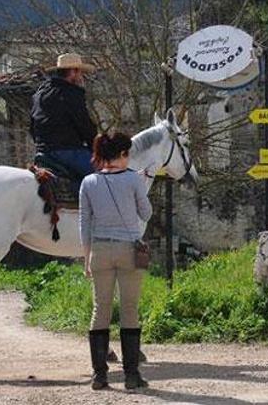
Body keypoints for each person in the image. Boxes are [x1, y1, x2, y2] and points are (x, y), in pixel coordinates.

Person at [79, 131, 152, 390]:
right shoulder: (133, 179)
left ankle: (100, 376)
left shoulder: (88, 182)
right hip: (129, 250)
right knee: (129, 309)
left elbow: (84, 224)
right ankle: (131, 375)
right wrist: (140, 187)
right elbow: (146, 212)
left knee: (101, 309)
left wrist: (87, 258)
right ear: (122, 154)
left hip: (99, 250)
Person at [31, 53, 98, 184]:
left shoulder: (40, 93)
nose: (81, 77)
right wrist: (96, 146)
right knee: (105, 177)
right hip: (68, 151)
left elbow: (32, 124)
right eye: (80, 72)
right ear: (73, 71)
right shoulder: (71, 93)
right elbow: (84, 125)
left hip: (43, 152)